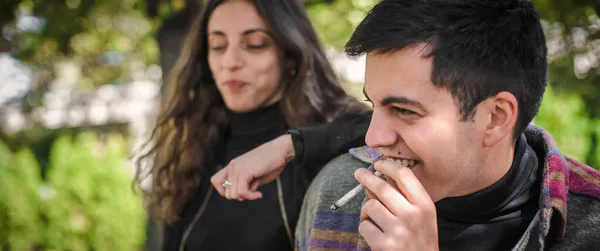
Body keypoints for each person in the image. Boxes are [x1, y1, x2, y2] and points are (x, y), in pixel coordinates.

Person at [215, 0, 600, 250]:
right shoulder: (337, 195)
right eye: (374, 104)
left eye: (405, 111)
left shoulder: (589, 225)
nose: (373, 137)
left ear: (496, 118)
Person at [133, 0, 370, 250]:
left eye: (254, 44)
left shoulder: (322, 143)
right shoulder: (193, 146)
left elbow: (384, 126)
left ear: (290, 55)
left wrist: (287, 146)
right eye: (218, 46)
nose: (230, 61)